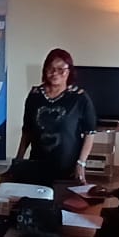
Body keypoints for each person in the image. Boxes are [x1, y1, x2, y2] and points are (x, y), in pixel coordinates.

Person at [15, 48, 98, 184]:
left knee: (65, 197)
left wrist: (81, 163)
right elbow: (27, 131)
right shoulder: (35, 95)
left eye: (61, 69)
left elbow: (90, 132)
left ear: (69, 71)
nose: (55, 73)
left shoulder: (79, 97)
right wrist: (19, 159)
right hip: (37, 164)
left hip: (67, 166)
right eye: (51, 68)